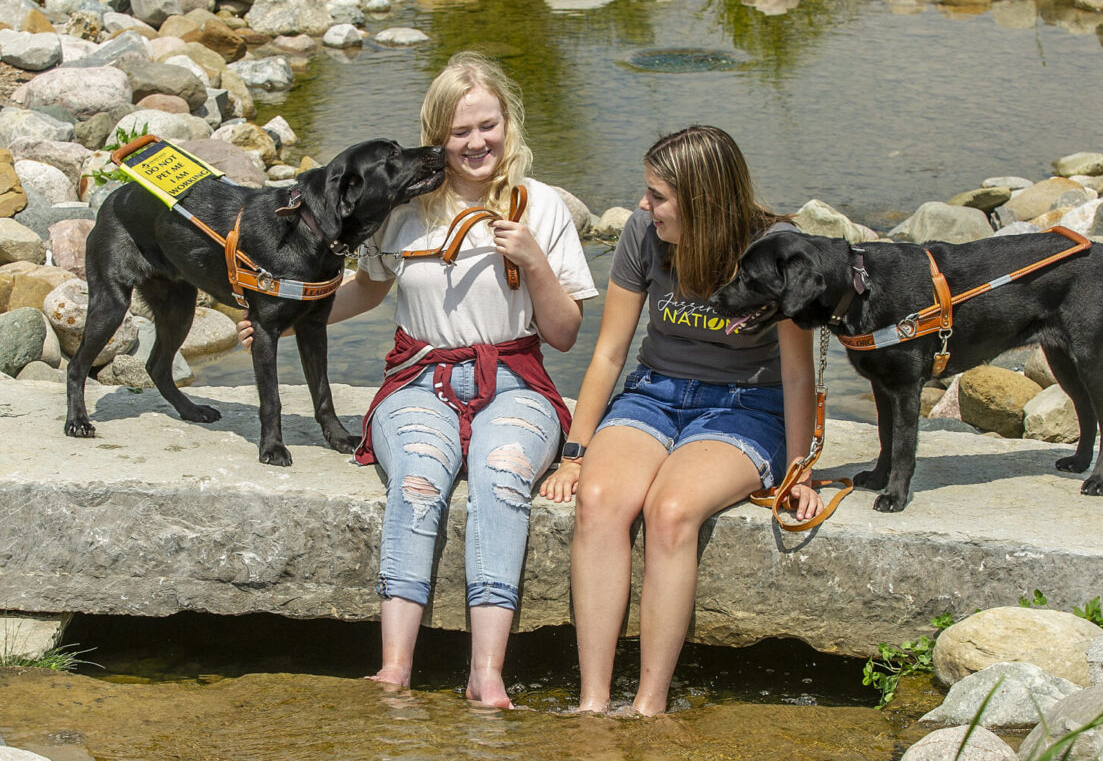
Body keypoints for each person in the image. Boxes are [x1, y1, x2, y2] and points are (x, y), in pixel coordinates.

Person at [242, 52, 597, 707]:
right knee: (419, 476)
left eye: (486, 125)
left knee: (501, 472)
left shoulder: (538, 205)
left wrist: (536, 263)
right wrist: (287, 318)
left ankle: (486, 671)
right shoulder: (402, 210)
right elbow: (367, 289)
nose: (475, 142)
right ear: (438, 136)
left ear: (507, 124)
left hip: (514, 380)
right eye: (459, 131)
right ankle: (395, 667)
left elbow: (566, 334)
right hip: (418, 379)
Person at [539, 126, 820, 716]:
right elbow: (611, 351)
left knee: (670, 511)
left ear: (704, 199)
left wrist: (800, 472)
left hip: (746, 405)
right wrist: (575, 449)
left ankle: (648, 707)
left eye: (657, 195)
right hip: (655, 395)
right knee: (599, 499)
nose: (644, 206)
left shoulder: (777, 249)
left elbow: (797, 375)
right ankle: (592, 705)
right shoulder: (644, 234)